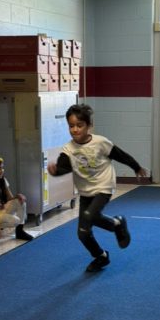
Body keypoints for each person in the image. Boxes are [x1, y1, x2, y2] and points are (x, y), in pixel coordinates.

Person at [47, 102, 148, 273]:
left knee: (90, 215)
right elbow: (64, 167)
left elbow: (120, 155)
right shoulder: (68, 149)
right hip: (86, 191)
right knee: (82, 233)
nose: (75, 130)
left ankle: (116, 225)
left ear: (89, 126)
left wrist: (136, 167)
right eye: (71, 126)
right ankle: (102, 254)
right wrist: (56, 171)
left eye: (80, 125)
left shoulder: (101, 143)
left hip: (104, 185)